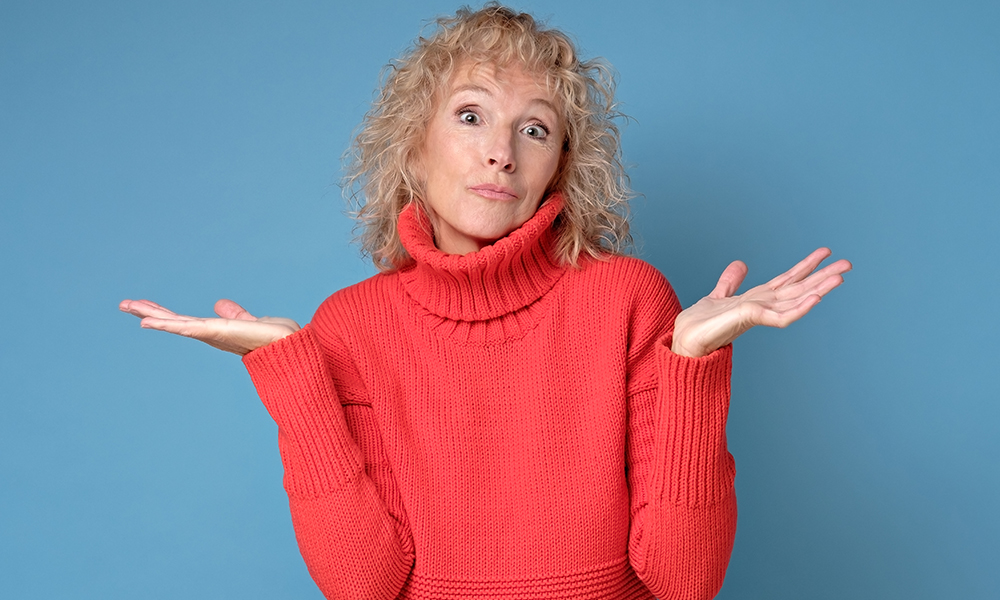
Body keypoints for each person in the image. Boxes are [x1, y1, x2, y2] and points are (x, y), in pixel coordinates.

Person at [120, 4, 851, 599]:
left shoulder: (630, 299)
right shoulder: (350, 327)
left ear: (559, 166)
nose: (501, 150)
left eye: (533, 129)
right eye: (471, 116)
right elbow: (363, 584)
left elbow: (684, 582)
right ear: (414, 147)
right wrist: (293, 378)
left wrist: (692, 363)